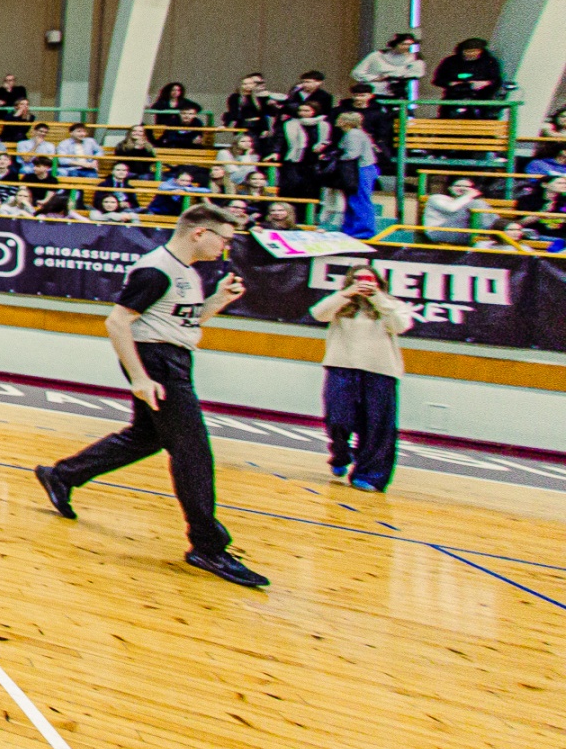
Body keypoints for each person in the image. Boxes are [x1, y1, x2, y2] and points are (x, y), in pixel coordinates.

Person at [33, 203, 268, 589]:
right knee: (193, 452)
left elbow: (185, 321)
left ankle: (61, 476)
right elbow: (117, 322)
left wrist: (219, 300)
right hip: (157, 362)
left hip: (173, 358)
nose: (225, 248)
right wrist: (140, 377)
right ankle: (207, 546)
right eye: (224, 239)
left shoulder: (187, 271)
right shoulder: (155, 270)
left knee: (146, 437)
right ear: (199, 233)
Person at [308, 265, 411, 492]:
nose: (363, 283)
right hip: (341, 368)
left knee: (376, 427)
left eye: (368, 279)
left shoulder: (391, 304)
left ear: (378, 282)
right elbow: (319, 313)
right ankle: (340, 454)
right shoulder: (341, 303)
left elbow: (399, 326)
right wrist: (346, 294)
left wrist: (377, 298)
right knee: (337, 419)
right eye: (358, 279)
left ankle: (370, 476)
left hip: (380, 372)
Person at [327, 111, 380, 237]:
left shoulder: (353, 134)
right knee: (352, 200)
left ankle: (364, 231)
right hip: (358, 169)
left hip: (361, 169)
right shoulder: (353, 133)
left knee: (360, 199)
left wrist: (336, 159)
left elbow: (352, 154)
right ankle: (350, 228)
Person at [433, 37, 505, 118]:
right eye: (468, 51)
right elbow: (438, 79)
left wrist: (485, 83)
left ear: (480, 51)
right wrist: (451, 83)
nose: (471, 54)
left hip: (480, 98)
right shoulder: (450, 62)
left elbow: (496, 80)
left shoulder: (489, 62)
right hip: (454, 97)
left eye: (474, 51)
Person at [353, 33, 424, 103]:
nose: (407, 47)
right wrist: (376, 78)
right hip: (376, 92)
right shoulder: (376, 56)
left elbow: (417, 73)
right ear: (395, 44)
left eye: (410, 45)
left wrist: (399, 77)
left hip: (399, 93)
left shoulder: (415, 58)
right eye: (403, 44)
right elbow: (357, 73)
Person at [422, 176, 492, 243]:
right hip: (437, 232)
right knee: (477, 203)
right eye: (457, 186)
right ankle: (492, 233)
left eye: (467, 187)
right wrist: (468, 195)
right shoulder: (436, 198)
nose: (462, 188)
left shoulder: (468, 201)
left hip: (461, 231)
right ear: (449, 188)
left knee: (480, 204)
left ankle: (494, 231)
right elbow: (451, 208)